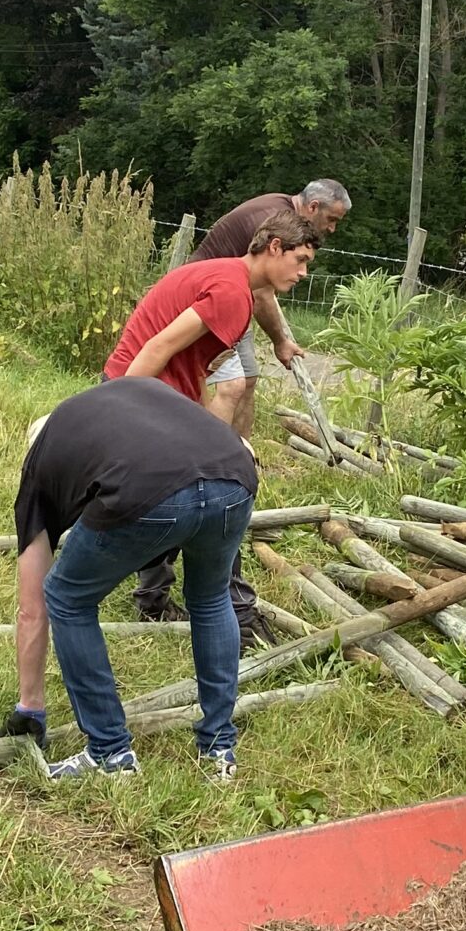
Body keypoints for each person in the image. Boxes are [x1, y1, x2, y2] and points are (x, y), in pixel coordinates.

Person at [5, 379, 259, 782]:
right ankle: (218, 747)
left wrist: (30, 707)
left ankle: (110, 752)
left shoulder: (41, 465)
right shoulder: (128, 397)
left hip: (150, 489)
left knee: (66, 597)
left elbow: (32, 608)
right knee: (211, 599)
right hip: (234, 475)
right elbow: (232, 444)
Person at [104, 209, 320, 636]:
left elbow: (193, 367)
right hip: (138, 391)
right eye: (301, 261)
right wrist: (121, 405)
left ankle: (154, 598)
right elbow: (157, 346)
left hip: (156, 393)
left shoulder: (232, 282)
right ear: (274, 247)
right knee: (224, 488)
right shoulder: (231, 292)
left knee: (172, 491)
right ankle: (236, 616)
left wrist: (206, 425)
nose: (303, 273)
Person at [189, 179, 352, 435]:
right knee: (226, 385)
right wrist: (280, 342)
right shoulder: (274, 221)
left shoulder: (283, 213)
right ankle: (212, 457)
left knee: (247, 380)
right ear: (313, 206)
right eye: (331, 219)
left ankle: (240, 457)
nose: (332, 228)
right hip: (204, 300)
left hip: (232, 301)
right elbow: (263, 296)